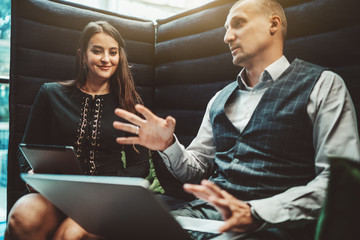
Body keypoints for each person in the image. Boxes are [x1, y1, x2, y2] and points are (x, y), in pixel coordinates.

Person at [112, 0, 360, 239]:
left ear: (273, 25)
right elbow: (195, 169)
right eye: (226, 29)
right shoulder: (219, 98)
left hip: (274, 224)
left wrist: (257, 212)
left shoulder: (324, 84)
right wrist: (168, 145)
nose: (227, 37)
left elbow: (338, 181)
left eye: (238, 23)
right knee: (113, 228)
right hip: (205, 214)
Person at [5, 21, 149, 240]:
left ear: (120, 57)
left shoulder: (130, 104)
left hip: (105, 198)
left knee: (71, 235)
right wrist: (32, 175)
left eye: (113, 52)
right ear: (83, 55)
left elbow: (140, 165)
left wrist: (105, 189)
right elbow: (26, 148)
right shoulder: (50, 93)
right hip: (55, 194)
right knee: (22, 218)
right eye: (97, 51)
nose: (106, 59)